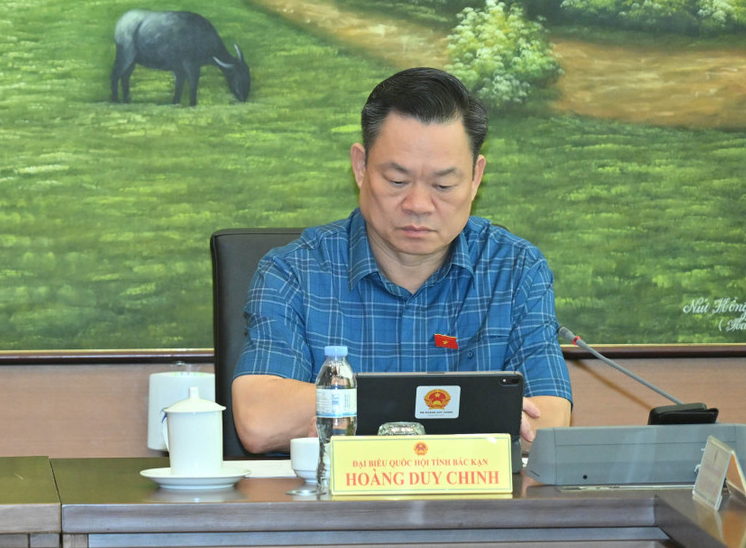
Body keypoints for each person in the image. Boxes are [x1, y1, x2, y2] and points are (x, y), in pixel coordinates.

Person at [231, 67, 571, 455]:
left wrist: (350, 409)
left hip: (471, 513)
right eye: (397, 181)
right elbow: (259, 419)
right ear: (360, 168)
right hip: (335, 512)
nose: (419, 205)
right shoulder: (294, 272)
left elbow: (549, 420)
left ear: (476, 178)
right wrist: (451, 408)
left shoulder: (515, 269)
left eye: (443, 185)